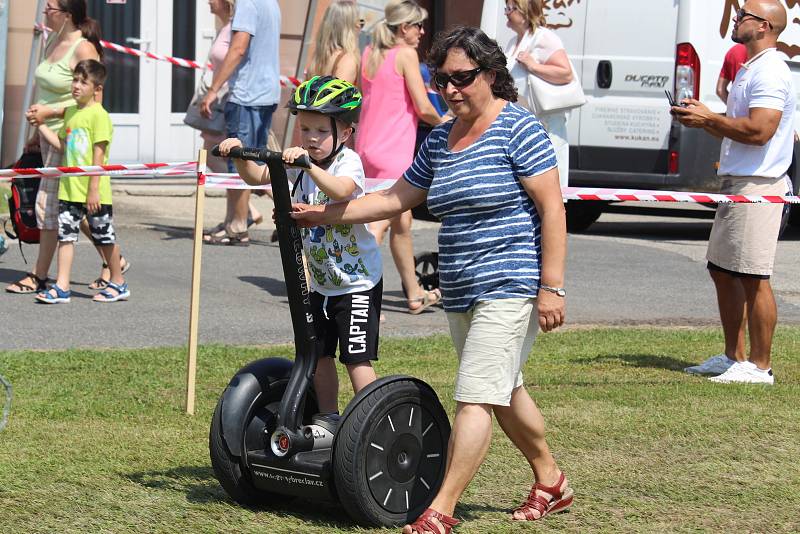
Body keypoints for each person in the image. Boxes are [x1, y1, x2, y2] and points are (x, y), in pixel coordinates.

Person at [292, 27, 571, 533]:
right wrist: (326, 215)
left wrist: (552, 286)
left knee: (475, 395)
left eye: (461, 79)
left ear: (490, 74)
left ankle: (439, 509)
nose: (450, 89)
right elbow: (397, 197)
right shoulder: (441, 136)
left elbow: (553, 208)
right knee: (503, 390)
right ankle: (551, 479)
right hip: (461, 287)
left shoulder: (519, 129)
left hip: (510, 283)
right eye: (441, 79)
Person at [217, 76, 381, 423]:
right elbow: (257, 177)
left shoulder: (347, 163)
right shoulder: (300, 164)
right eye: (305, 129)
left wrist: (308, 165)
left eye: (321, 131)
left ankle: (373, 421)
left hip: (357, 285)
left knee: (355, 358)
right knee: (317, 354)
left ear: (345, 132)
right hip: (321, 284)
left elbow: (340, 191)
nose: (310, 138)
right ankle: (329, 419)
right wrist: (238, 154)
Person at [674, 0, 794, 385]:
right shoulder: (748, 66)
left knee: (753, 275)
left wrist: (710, 118)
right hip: (738, 182)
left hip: (759, 185)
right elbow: (738, 126)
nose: (737, 19)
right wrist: (703, 119)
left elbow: (760, 132)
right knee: (723, 271)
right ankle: (733, 357)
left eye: (744, 16)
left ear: (764, 27)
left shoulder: (772, 70)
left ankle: (760, 367)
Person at [6, 0, 128, 294]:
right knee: (73, 209)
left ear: (67, 14)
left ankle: (41, 274)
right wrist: (38, 130)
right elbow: (46, 88)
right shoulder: (52, 42)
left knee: (50, 207)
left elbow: (92, 101)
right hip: (48, 138)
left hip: (70, 141)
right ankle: (115, 262)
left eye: (50, 7)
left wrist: (50, 115)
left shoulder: (83, 48)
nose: (45, 12)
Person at [356, 0, 449, 314]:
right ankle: (357, 291)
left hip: (368, 146)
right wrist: (448, 122)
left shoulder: (370, 52)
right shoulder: (406, 55)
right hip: (394, 150)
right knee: (379, 222)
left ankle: (413, 293)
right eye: (419, 26)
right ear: (404, 28)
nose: (423, 32)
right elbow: (423, 107)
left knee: (402, 222)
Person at [35, 59, 128, 304]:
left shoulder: (100, 116)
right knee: (65, 237)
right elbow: (63, 147)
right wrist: (41, 125)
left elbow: (99, 158)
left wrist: (93, 190)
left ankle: (118, 282)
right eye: (75, 80)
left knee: (104, 238)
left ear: (97, 89)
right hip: (69, 189)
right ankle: (62, 286)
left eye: (83, 82)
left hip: (93, 191)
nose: (76, 86)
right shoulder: (72, 113)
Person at [201, 0, 281, 246]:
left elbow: (238, 48)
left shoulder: (247, 3)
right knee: (252, 162)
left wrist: (214, 89)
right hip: (266, 93)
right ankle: (232, 220)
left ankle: (237, 224)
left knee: (239, 161)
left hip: (247, 94)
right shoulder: (271, 3)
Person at [504, 0, 573, 194]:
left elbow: (565, 73)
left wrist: (533, 65)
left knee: (547, 185)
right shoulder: (515, 41)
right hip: (522, 121)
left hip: (545, 122)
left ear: (525, 12)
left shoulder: (544, 37)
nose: (506, 13)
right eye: (506, 8)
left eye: (510, 8)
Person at [307, 0, 362, 84]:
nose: (360, 27)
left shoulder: (321, 54)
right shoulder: (347, 60)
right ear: (349, 27)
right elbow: (338, 96)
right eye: (359, 22)